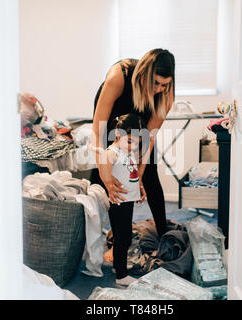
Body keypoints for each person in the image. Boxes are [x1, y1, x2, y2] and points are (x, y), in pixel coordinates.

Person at [90, 48, 176, 281]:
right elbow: (98, 130)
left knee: (149, 178)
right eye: (156, 83)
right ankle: (114, 242)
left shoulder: (165, 94)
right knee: (106, 180)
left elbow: (149, 140)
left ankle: (163, 232)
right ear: (145, 75)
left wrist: (137, 177)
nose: (159, 89)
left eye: (165, 85)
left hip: (141, 131)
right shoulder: (119, 76)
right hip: (110, 126)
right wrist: (107, 175)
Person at [89, 113, 147, 285]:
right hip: (119, 201)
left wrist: (139, 189)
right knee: (124, 237)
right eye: (130, 141)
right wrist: (99, 151)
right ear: (117, 135)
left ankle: (117, 265)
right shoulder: (113, 152)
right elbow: (105, 165)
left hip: (127, 199)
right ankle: (121, 276)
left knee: (122, 234)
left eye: (137, 143)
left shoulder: (126, 151)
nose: (133, 146)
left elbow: (132, 174)